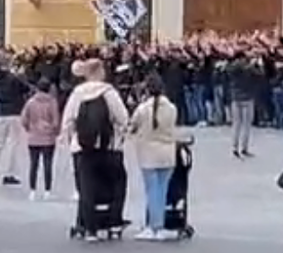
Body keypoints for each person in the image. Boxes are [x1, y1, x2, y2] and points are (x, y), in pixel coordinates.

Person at [61, 58, 131, 241]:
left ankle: (89, 228)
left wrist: (72, 142)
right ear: (100, 72)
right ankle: (114, 223)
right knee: (118, 184)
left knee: (86, 188)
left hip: (82, 148)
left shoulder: (77, 93)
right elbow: (123, 118)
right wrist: (120, 137)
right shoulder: (109, 92)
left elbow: (67, 121)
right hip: (109, 148)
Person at [127, 74, 180, 241]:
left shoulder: (142, 109)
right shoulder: (171, 108)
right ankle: (160, 225)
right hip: (167, 154)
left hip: (148, 154)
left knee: (151, 191)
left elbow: (132, 126)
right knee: (162, 191)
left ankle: (153, 226)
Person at [19, 77, 60, 200]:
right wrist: (54, 131)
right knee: (48, 164)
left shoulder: (31, 102)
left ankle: (32, 190)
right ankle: (47, 190)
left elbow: (23, 119)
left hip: (33, 136)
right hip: (48, 138)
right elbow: (56, 121)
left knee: (33, 164)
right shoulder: (52, 102)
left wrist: (29, 129)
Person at [0, 55, 27, 186]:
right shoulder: (13, 78)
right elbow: (26, 88)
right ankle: (8, 173)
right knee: (13, 144)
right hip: (13, 112)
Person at [228, 56, 259, 158]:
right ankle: (244, 148)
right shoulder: (250, 69)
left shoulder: (232, 69)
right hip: (247, 98)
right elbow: (260, 75)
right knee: (246, 125)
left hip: (236, 98)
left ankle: (234, 147)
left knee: (236, 124)